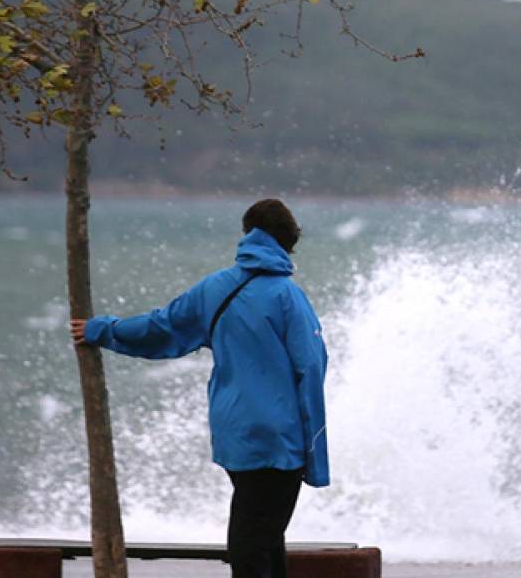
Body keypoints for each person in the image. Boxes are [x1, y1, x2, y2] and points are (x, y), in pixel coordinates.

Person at [70, 199, 329, 578]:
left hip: (234, 433)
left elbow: (161, 328)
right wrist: (314, 451)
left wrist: (102, 330)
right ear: (288, 242)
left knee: (263, 534)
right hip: (278, 437)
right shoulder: (288, 297)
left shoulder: (216, 287)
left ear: (248, 235)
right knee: (254, 540)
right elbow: (311, 366)